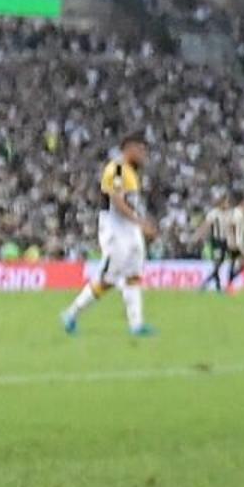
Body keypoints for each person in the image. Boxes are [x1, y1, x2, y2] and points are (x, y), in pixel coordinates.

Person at [61, 137, 155, 338]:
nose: (144, 155)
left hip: (129, 230)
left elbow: (129, 202)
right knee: (108, 279)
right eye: (141, 150)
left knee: (133, 275)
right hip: (115, 231)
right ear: (129, 148)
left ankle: (136, 325)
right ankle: (71, 314)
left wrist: (138, 223)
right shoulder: (118, 169)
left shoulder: (130, 172)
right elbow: (116, 199)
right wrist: (140, 222)